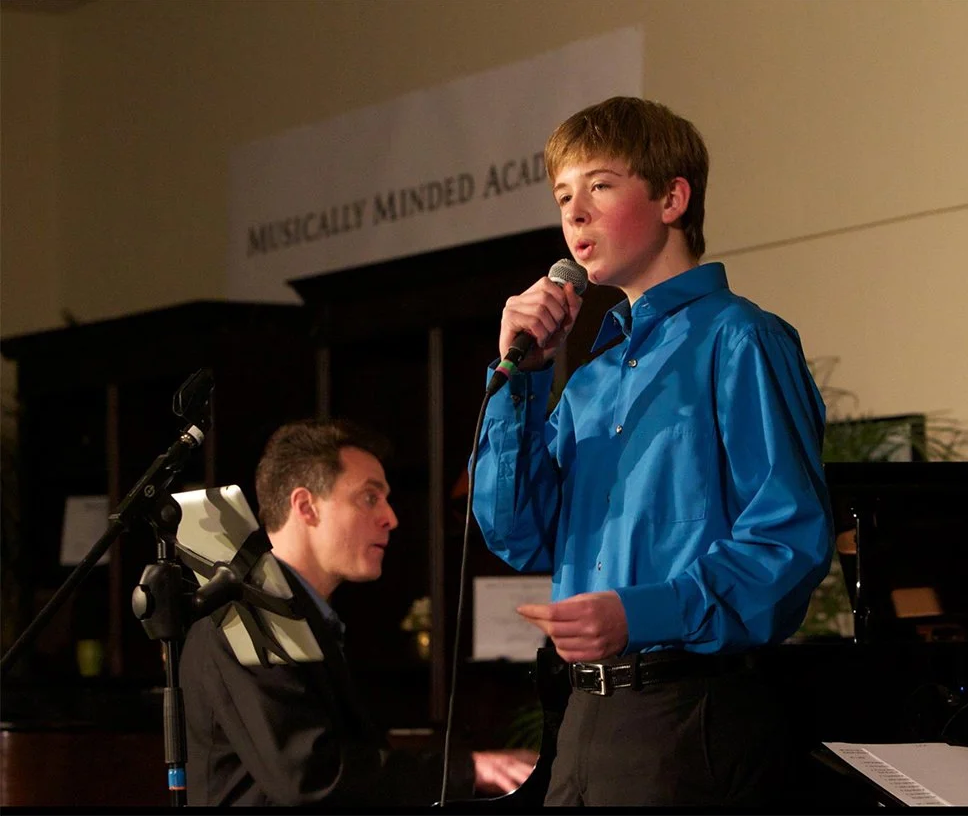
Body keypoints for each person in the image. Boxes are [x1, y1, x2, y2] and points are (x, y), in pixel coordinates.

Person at [470, 96, 835, 806]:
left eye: (600, 186)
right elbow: (516, 534)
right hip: (582, 718)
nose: (574, 214)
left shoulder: (740, 339)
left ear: (672, 197)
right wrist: (523, 379)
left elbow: (787, 540)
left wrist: (644, 612)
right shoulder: (591, 379)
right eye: (563, 196)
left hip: (686, 713)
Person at [180, 419, 536, 806]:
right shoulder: (249, 615)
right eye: (370, 498)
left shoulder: (298, 614)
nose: (391, 518)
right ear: (305, 506)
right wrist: (470, 771)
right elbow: (311, 775)